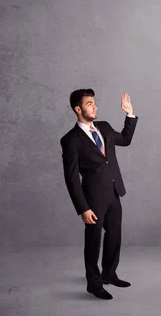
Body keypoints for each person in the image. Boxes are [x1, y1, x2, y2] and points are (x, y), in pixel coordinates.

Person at [60, 89, 138, 299]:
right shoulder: (71, 140)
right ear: (78, 109)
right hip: (92, 199)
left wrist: (129, 114)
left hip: (114, 191)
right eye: (89, 104)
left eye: (94, 103)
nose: (95, 107)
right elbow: (72, 178)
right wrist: (83, 208)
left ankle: (109, 274)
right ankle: (93, 285)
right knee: (93, 241)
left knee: (114, 235)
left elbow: (125, 139)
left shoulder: (103, 127)